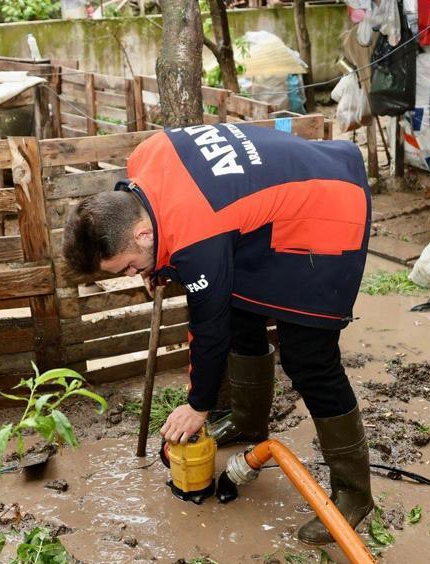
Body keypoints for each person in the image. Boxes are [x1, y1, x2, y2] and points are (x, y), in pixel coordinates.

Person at [62, 123, 372, 544]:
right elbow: (188, 241)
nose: (136, 275)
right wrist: (161, 265)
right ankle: (249, 424)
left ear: (141, 233)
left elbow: (209, 327)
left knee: (308, 360)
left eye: (131, 266)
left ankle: (354, 495)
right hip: (273, 208)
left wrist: (199, 404)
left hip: (330, 208)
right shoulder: (146, 157)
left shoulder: (197, 233)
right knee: (243, 312)